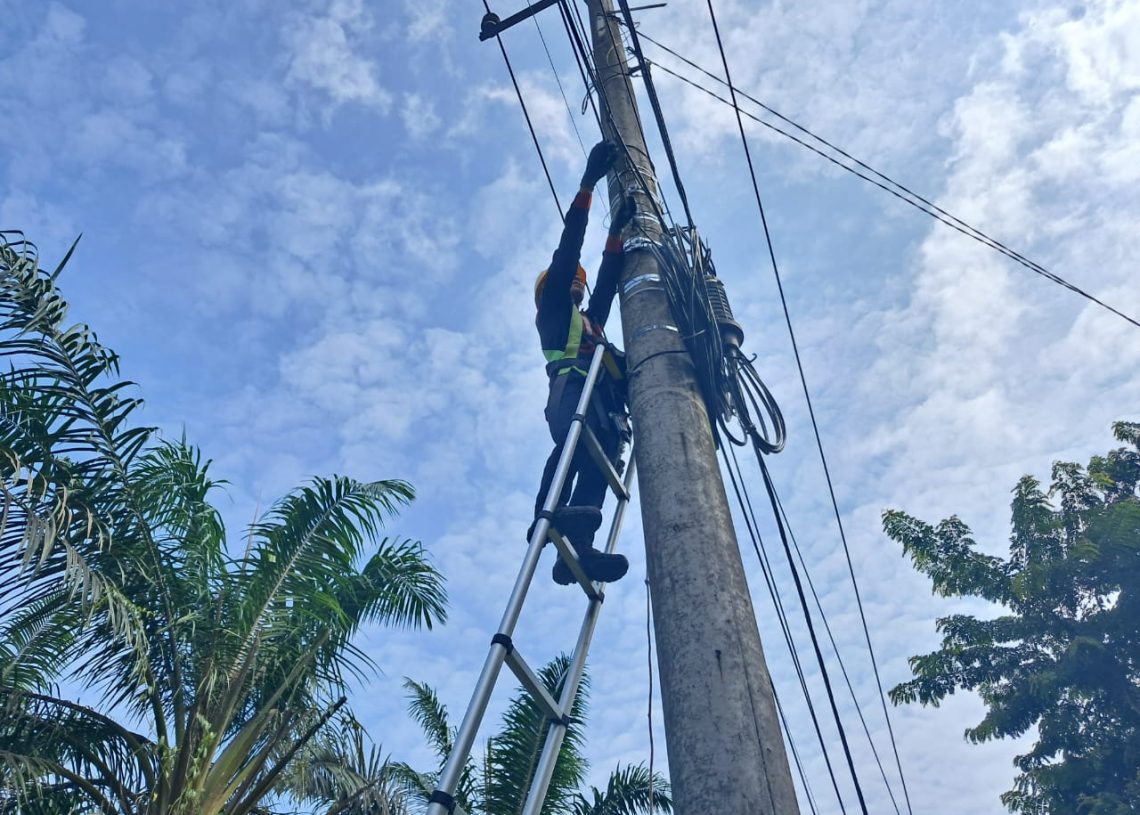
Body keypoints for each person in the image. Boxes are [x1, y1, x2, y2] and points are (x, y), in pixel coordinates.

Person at [532, 141, 634, 585]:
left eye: (579, 282)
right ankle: (545, 515)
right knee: (573, 450)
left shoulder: (590, 320)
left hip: (603, 403)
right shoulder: (553, 311)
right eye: (572, 280)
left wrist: (619, 232)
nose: (578, 282)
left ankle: (577, 552)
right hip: (570, 394)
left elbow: (608, 281)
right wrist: (588, 184)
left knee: (599, 463)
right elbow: (569, 248)